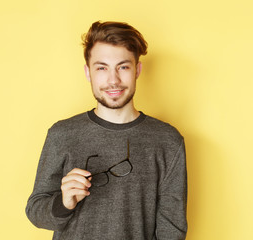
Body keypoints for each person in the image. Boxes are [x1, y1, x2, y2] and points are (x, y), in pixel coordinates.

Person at [26, 21, 188, 240]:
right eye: (102, 68)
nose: (113, 80)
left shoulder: (168, 141)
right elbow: (36, 211)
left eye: (123, 67)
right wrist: (64, 202)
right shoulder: (62, 134)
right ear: (88, 72)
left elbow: (172, 229)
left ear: (137, 70)